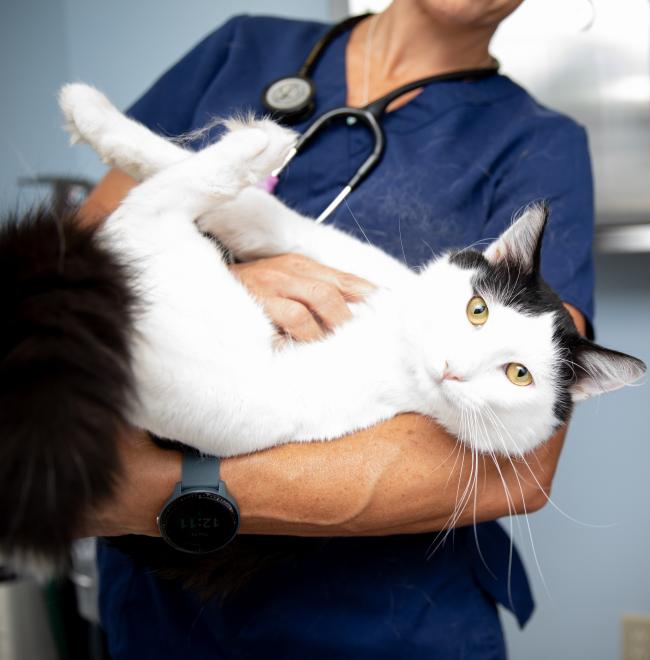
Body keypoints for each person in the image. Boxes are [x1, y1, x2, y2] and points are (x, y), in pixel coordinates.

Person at [80, 1, 595, 657]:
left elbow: (519, 466)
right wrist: (204, 293)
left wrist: (155, 493)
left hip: (382, 622)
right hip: (162, 614)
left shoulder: (539, 145)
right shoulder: (243, 48)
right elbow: (72, 276)